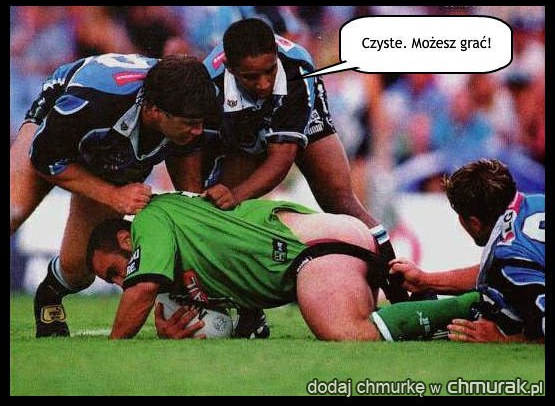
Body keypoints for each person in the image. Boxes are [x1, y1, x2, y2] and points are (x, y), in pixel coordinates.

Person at [10, 52, 226, 338]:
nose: (199, 130)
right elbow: (43, 157)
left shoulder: (197, 100)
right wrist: (112, 195)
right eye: (190, 122)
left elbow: (192, 206)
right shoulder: (94, 102)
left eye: (200, 121)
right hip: (56, 127)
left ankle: (50, 290)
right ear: (154, 111)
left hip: (115, 145)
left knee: (78, 270)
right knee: (12, 211)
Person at [201, 19, 407, 303]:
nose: (264, 84)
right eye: (251, 77)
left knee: (340, 201)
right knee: (227, 211)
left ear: (276, 57)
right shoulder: (207, 82)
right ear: (230, 68)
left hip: (297, 113)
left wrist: (235, 195)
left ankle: (401, 293)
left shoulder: (296, 68)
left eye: (269, 71)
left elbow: (281, 160)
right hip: (240, 123)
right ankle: (246, 308)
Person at [86, 191, 478, 340]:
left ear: (126, 240)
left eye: (115, 271)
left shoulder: (150, 220)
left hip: (313, 250)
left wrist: (116, 342)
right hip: (324, 250)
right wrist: (177, 332)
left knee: (346, 333)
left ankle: (471, 304)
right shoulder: (183, 250)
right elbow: (235, 314)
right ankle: (447, 317)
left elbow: (142, 288)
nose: (121, 283)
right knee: (377, 323)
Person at [389, 159, 545, 343]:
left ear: (474, 223)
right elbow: (497, 272)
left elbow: (511, 269)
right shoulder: (537, 202)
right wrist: (425, 280)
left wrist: (504, 339)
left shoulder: (509, 260)